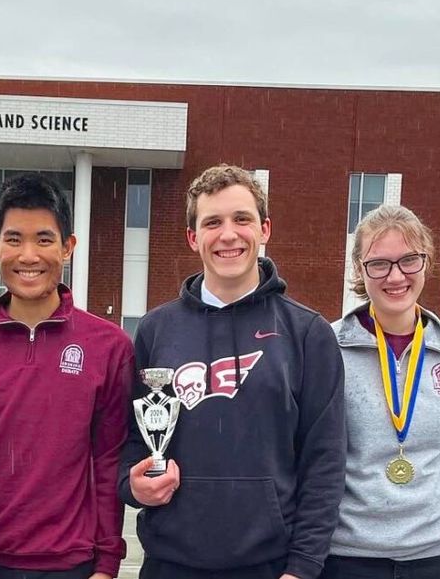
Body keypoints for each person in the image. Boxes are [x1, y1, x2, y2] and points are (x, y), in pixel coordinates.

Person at [119, 164, 347, 579]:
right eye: (212, 222)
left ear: (265, 229)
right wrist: (132, 486)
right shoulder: (156, 329)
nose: (228, 235)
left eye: (242, 219)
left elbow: (325, 460)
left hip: (271, 566)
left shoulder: (307, 332)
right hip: (170, 564)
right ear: (193, 238)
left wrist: (303, 566)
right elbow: (133, 437)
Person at [0, 173, 132, 579]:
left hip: (72, 567)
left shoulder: (109, 346)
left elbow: (107, 461)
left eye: (44, 240)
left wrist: (107, 565)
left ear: (68, 247)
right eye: (14, 239)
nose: (28, 255)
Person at [323, 205, 440, 579]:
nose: (396, 276)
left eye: (409, 260)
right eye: (379, 264)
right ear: (360, 270)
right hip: (348, 556)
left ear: (426, 262)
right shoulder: (328, 345)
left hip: (434, 555)